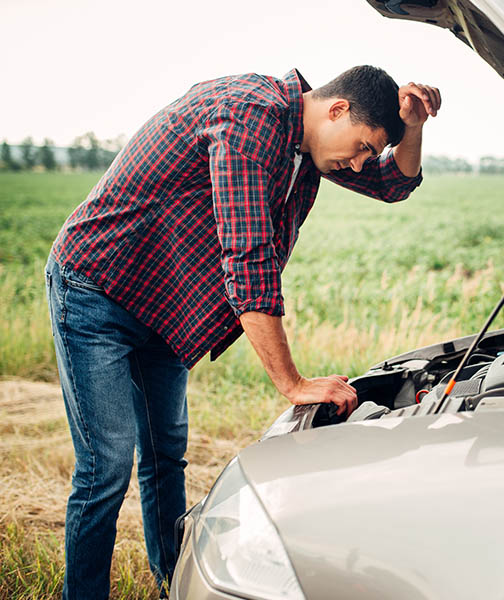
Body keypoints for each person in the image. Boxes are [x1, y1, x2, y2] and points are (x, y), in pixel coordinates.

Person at [45, 65, 440, 599]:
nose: (361, 162)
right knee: (106, 467)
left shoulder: (311, 146)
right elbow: (248, 258)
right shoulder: (251, 114)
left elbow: (394, 185)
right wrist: (293, 383)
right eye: (364, 147)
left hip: (159, 305)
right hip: (98, 286)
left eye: (369, 154)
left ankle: (171, 584)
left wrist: (411, 127)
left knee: (165, 456)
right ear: (338, 109)